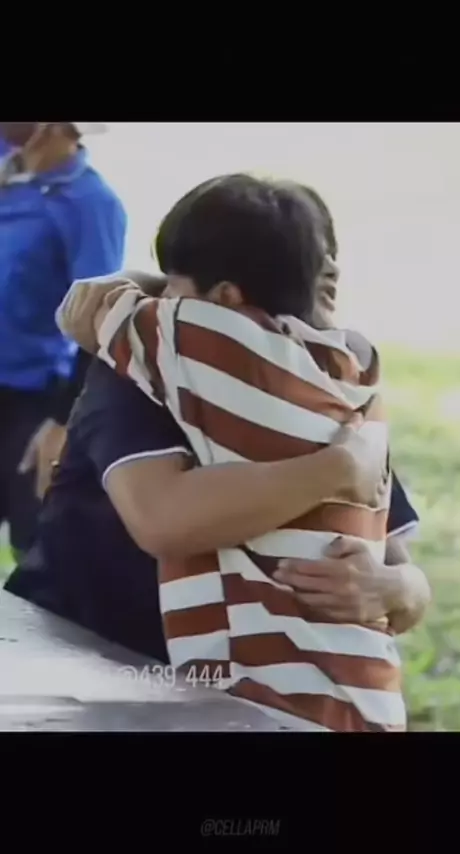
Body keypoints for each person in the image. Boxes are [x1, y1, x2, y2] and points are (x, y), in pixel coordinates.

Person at [59, 175, 431, 731]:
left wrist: (394, 588)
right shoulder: (349, 381)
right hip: (110, 661)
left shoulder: (190, 349)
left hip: (246, 696)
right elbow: (165, 520)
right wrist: (338, 467)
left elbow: (401, 573)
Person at [0, 121, 126, 560]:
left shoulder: (91, 204)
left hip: (29, 401)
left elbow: (98, 322)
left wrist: (60, 424)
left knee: (34, 545)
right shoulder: (9, 169)